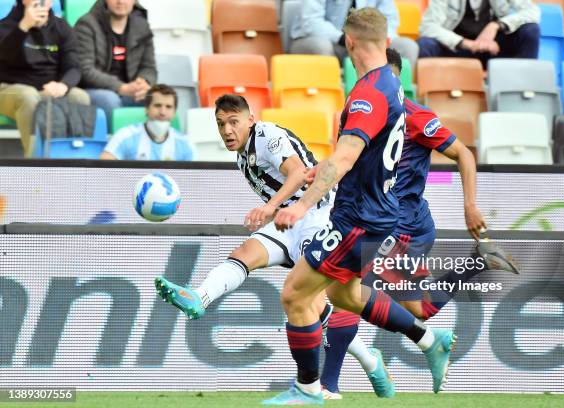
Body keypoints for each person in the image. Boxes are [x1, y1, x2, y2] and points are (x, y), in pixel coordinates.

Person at [264, 8, 455, 405]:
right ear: (387, 42)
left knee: (295, 294)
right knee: (345, 296)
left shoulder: (368, 91)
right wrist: (330, 169)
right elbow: (365, 153)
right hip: (377, 215)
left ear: (348, 42)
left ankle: (308, 390)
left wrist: (302, 206)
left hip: (359, 220)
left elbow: (348, 156)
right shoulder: (391, 83)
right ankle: (428, 339)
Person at [153, 93, 395, 397]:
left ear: (250, 120)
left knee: (315, 301)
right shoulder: (243, 156)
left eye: (233, 122)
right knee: (245, 255)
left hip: (318, 214)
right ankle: (200, 298)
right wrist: (275, 210)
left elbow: (298, 173)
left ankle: (368, 363)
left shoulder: (266, 134)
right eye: (220, 124)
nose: (227, 130)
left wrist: (270, 208)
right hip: (289, 221)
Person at [319, 48, 519, 400]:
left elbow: (464, 154)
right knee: (419, 308)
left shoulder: (414, 115)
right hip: (384, 221)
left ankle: (328, 385)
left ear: (395, 78)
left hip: (403, 225)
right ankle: (476, 263)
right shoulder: (361, 110)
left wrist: (469, 205)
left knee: (347, 288)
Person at [0, 0, 90, 157]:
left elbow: (74, 67)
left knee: (79, 97)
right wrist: (23, 27)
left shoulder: (61, 27)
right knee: (27, 96)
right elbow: (5, 56)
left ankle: (74, 158)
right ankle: (35, 161)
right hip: (9, 90)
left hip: (47, 90)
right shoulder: (6, 25)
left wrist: (63, 85)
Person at [75, 0, 156, 129]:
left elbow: (149, 66)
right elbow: (85, 70)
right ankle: (114, 145)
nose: (120, 1)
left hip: (129, 90)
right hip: (95, 89)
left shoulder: (142, 26)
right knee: (110, 100)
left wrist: (143, 83)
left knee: (158, 98)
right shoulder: (86, 24)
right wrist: (121, 87)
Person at [290, 0, 419, 70]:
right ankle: (331, 97)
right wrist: (343, 38)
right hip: (323, 40)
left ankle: (394, 100)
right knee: (321, 46)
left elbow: (390, 20)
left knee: (408, 47)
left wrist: (374, 41)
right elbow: (311, 22)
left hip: (364, 42)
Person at [417, 0, 540, 66]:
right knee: (425, 44)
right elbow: (427, 26)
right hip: (457, 50)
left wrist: (496, 25)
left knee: (530, 30)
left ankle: (523, 87)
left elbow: (533, 12)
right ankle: (429, 94)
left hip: (494, 49)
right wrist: (464, 43)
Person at [100, 84, 195, 161]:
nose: (162, 112)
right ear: (146, 109)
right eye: (157, 105)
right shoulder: (125, 135)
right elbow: (104, 166)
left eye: (168, 107)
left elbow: (194, 180)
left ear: (174, 113)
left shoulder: (185, 143)